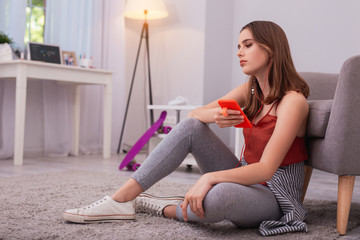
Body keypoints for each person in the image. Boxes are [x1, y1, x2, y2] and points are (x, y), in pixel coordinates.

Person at [63, 20, 310, 236]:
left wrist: (209, 179)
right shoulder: (250, 91)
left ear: (271, 49)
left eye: (247, 45)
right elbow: (193, 115)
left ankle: (160, 206)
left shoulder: (292, 102)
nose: (239, 53)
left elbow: (266, 170)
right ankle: (122, 198)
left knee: (218, 197)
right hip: (242, 174)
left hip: (274, 196)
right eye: (238, 46)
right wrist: (216, 116)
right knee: (192, 126)